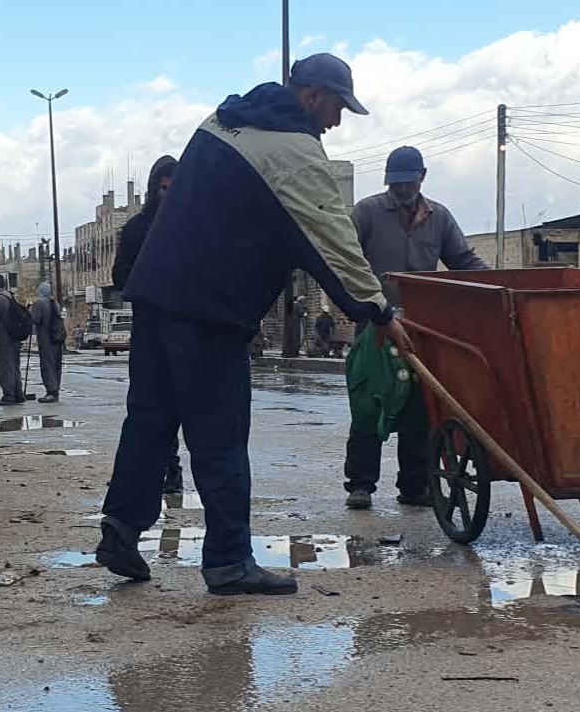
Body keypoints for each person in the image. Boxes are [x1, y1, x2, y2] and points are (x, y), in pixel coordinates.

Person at [96, 52, 415, 596]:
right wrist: (379, 311)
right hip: (209, 311)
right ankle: (227, 562)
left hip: (157, 296)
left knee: (150, 420)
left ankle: (121, 528)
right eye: (336, 107)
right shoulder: (293, 150)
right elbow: (332, 242)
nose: (336, 122)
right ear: (312, 95)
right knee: (219, 435)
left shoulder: (223, 120)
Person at [343, 145, 489, 511]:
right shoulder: (368, 212)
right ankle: (360, 484)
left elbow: (462, 259)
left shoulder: (439, 217)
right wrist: (357, 300)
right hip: (375, 322)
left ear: (421, 178)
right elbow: (343, 256)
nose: (402, 190)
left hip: (421, 328)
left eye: (408, 183)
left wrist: (497, 284)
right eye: (395, 183)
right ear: (387, 181)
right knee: (369, 405)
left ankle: (414, 486)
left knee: (418, 409)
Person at [113, 156, 183, 491]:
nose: (167, 196)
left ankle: (174, 470)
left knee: (185, 400)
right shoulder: (136, 229)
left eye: (174, 188)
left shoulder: (192, 224)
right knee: (150, 403)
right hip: (148, 328)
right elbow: (119, 275)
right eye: (162, 189)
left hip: (185, 328)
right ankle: (156, 470)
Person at [0, 274, 25, 405]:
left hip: (4, 338)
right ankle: (18, 394)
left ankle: (8, 395)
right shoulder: (10, 296)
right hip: (14, 337)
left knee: (5, 367)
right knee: (15, 366)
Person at [32, 282, 66, 403]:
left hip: (46, 339)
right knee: (56, 365)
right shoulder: (55, 303)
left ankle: (51, 391)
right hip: (57, 338)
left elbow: (35, 319)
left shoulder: (39, 303)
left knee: (47, 366)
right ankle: (55, 390)